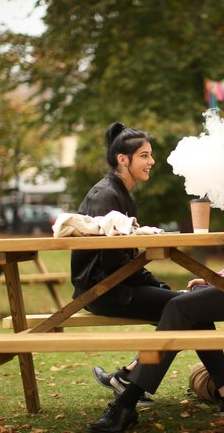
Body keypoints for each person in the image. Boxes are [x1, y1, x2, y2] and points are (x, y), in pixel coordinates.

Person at [87, 117, 224, 433]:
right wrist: (219, 278)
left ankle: (126, 400)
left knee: (179, 307)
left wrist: (221, 277)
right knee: (187, 304)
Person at [71, 122, 183, 403]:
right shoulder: (106, 195)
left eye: (150, 155)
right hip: (103, 291)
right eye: (144, 155)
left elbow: (125, 261)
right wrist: (155, 284)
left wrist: (154, 283)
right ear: (123, 159)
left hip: (113, 285)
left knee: (185, 312)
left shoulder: (120, 193)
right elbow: (115, 263)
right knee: (185, 311)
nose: (151, 162)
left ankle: (128, 376)